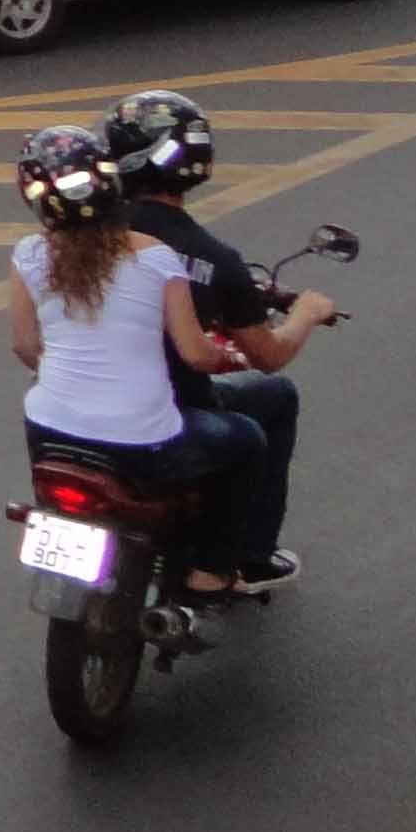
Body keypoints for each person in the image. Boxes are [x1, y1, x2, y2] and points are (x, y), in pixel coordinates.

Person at [3, 123, 276, 597]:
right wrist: (224, 356)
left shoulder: (27, 255)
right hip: (142, 445)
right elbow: (194, 353)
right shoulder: (157, 259)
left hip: (48, 434)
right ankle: (211, 571)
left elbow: (25, 346)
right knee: (247, 439)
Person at [103, 90, 337, 592]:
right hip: (162, 418)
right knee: (266, 408)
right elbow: (267, 357)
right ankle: (234, 562)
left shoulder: (79, 240)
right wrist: (306, 315)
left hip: (68, 416)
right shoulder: (209, 259)